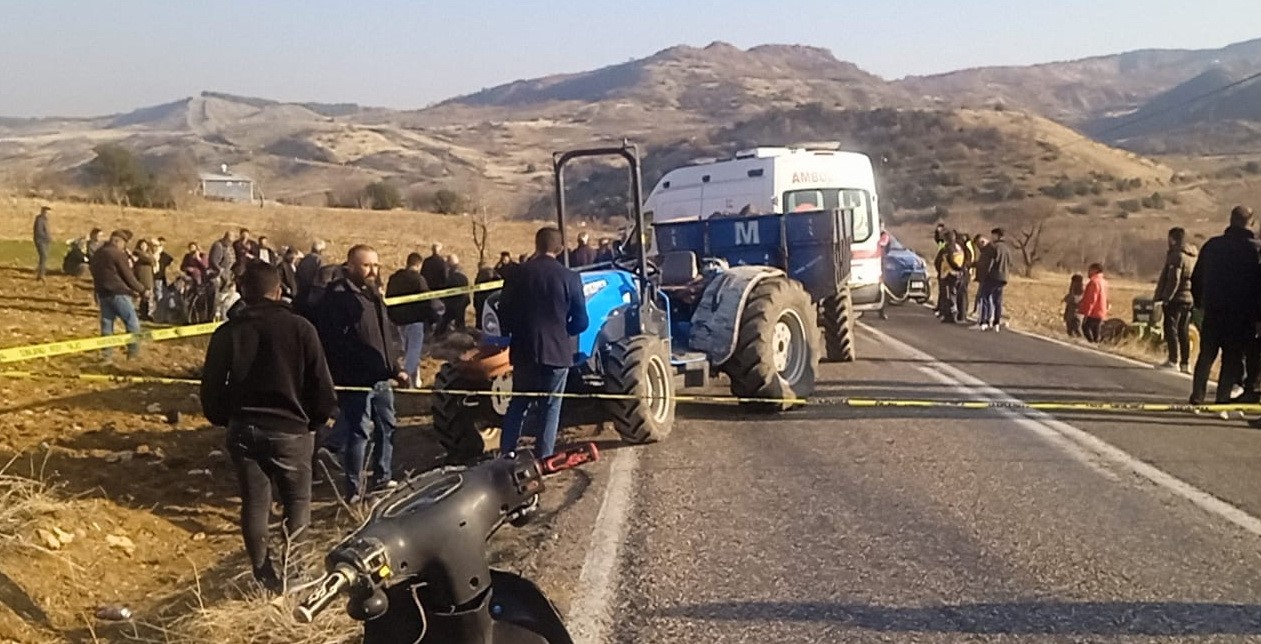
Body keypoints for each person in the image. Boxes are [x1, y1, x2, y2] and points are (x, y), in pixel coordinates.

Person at [201, 260, 338, 593]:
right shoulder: (301, 328)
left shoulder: (228, 332)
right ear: (279, 291)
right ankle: (293, 572)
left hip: (243, 428)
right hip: (290, 430)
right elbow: (321, 383)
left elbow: (210, 388)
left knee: (255, 503)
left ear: (243, 293)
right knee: (297, 503)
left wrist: (225, 419)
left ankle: (263, 576)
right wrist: (318, 421)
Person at [316, 245, 406, 501]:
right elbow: (335, 343)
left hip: (381, 377)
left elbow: (382, 336)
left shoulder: (373, 295)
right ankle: (354, 491)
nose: (372, 271)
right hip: (356, 379)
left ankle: (383, 477)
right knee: (359, 432)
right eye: (367, 265)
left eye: (376, 265)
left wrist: (395, 367)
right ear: (351, 266)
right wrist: (349, 373)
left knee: (387, 426)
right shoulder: (338, 298)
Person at [496, 227, 589, 458]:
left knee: (517, 404)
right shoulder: (570, 277)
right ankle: (543, 459)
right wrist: (563, 332)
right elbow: (581, 320)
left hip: (524, 351)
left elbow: (503, 311)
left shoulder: (517, 275)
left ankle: (506, 455)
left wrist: (514, 333)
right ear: (559, 249)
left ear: (536, 245)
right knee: (551, 407)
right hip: (557, 352)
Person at [1191, 206, 1261, 405]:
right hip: (1242, 314)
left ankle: (1197, 396)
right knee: (1231, 358)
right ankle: (1221, 400)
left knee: (1206, 355)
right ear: (1251, 223)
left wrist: (1200, 303)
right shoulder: (1255, 249)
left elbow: (1197, 278)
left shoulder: (1212, 246)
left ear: (1230, 220)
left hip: (1214, 309)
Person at [90, 230, 148, 360]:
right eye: (124, 244)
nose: (124, 247)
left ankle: (106, 356)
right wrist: (142, 290)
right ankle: (133, 353)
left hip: (103, 294)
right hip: (119, 294)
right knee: (132, 323)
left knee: (107, 326)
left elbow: (94, 272)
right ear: (118, 241)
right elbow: (128, 276)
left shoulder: (98, 254)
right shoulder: (117, 254)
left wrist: (97, 290)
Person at [386, 253, 441, 388]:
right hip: (415, 320)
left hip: (399, 321)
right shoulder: (418, 279)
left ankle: (414, 382)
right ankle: (405, 375)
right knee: (414, 350)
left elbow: (389, 298)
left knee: (407, 349)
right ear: (419, 265)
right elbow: (427, 299)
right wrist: (434, 318)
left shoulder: (394, 278)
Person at [1153, 227, 1198, 372]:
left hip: (1176, 298)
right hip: (1189, 298)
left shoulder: (1176, 256)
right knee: (1183, 330)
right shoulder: (1192, 256)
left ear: (1173, 239)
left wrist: (1166, 298)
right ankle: (1185, 363)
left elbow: (1173, 279)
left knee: (1170, 328)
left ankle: (1173, 360)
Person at [980, 227, 1015, 331]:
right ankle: (996, 323)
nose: (991, 237)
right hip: (1003, 277)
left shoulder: (994, 247)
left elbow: (990, 263)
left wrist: (985, 274)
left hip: (993, 276)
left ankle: (984, 321)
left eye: (993, 235)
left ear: (997, 236)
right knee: (998, 301)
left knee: (985, 297)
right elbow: (1010, 264)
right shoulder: (1007, 249)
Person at [933, 231, 965, 323]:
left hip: (947, 274)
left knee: (948, 296)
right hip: (957, 275)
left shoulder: (947, 249)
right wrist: (960, 269)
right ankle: (953, 314)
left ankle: (950, 316)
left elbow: (944, 260)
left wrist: (940, 270)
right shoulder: (959, 247)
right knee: (953, 295)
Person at [440, 254, 471, 333]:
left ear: (450, 262)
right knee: (459, 320)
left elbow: (449, 286)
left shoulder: (453, 273)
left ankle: (439, 335)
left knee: (447, 319)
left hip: (455, 301)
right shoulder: (461, 271)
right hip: (461, 300)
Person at [295, 239, 326, 317]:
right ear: (322, 250)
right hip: (311, 294)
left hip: (300, 292)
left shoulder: (305, 259)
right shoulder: (319, 260)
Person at [1078, 263, 1108, 343]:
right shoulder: (1104, 282)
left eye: (1090, 270)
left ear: (1095, 270)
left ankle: (1092, 343)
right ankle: (1097, 343)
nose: (1088, 272)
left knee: (1086, 327)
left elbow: (1091, 299)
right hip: (1101, 311)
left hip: (1094, 311)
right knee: (1096, 330)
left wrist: (1087, 312)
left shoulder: (1094, 282)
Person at [132, 239, 157, 321]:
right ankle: (137, 313)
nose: (143, 247)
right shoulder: (135, 253)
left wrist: (141, 255)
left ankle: (145, 314)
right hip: (138, 277)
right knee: (137, 297)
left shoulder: (147, 254)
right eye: (141, 245)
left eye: (145, 245)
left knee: (147, 297)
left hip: (148, 278)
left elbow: (152, 261)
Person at [954, 230, 975, 323]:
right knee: (961, 294)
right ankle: (961, 314)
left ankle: (962, 315)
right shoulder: (969, 246)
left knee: (962, 294)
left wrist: (961, 269)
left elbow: (968, 261)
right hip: (965, 272)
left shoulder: (967, 248)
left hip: (965, 273)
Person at [474, 262, 498, 328]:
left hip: (482, 300)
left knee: (481, 318)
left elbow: (477, 290)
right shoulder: (495, 274)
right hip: (490, 300)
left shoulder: (482, 274)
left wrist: (475, 302)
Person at [33, 205, 51, 281]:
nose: (47, 214)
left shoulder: (45, 220)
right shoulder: (39, 220)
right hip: (40, 241)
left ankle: (40, 273)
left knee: (44, 257)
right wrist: (47, 238)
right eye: (46, 212)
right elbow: (39, 232)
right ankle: (41, 274)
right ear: (43, 211)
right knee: (43, 256)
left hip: (45, 241)